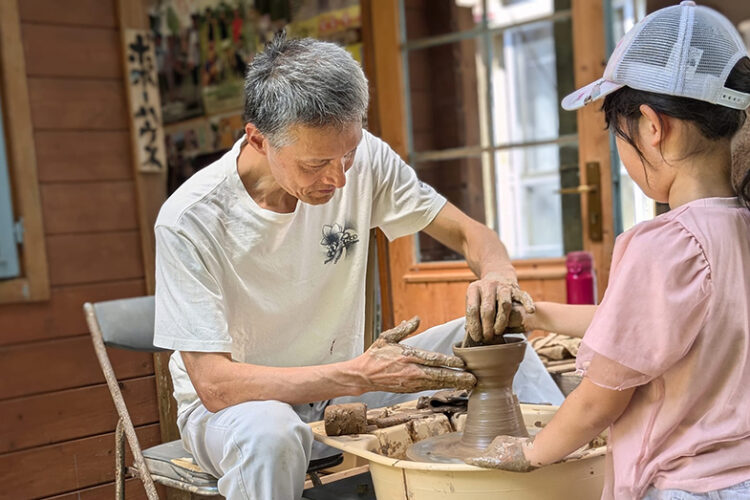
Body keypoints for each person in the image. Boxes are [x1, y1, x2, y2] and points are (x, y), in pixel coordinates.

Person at [153, 32, 562, 499]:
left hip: (343, 385)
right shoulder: (191, 220)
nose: (339, 176)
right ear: (258, 139)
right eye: (316, 163)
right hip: (238, 409)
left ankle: (563, 476)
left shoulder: (363, 158)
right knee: (271, 434)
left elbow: (470, 234)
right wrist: (361, 373)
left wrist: (497, 275)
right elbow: (215, 386)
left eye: (347, 153)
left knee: (500, 337)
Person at [466, 3, 750, 499]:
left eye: (618, 134)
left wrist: (528, 452)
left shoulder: (666, 244)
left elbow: (599, 403)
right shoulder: (738, 223)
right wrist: (538, 315)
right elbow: (648, 324)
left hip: (683, 487)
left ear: (652, 125)